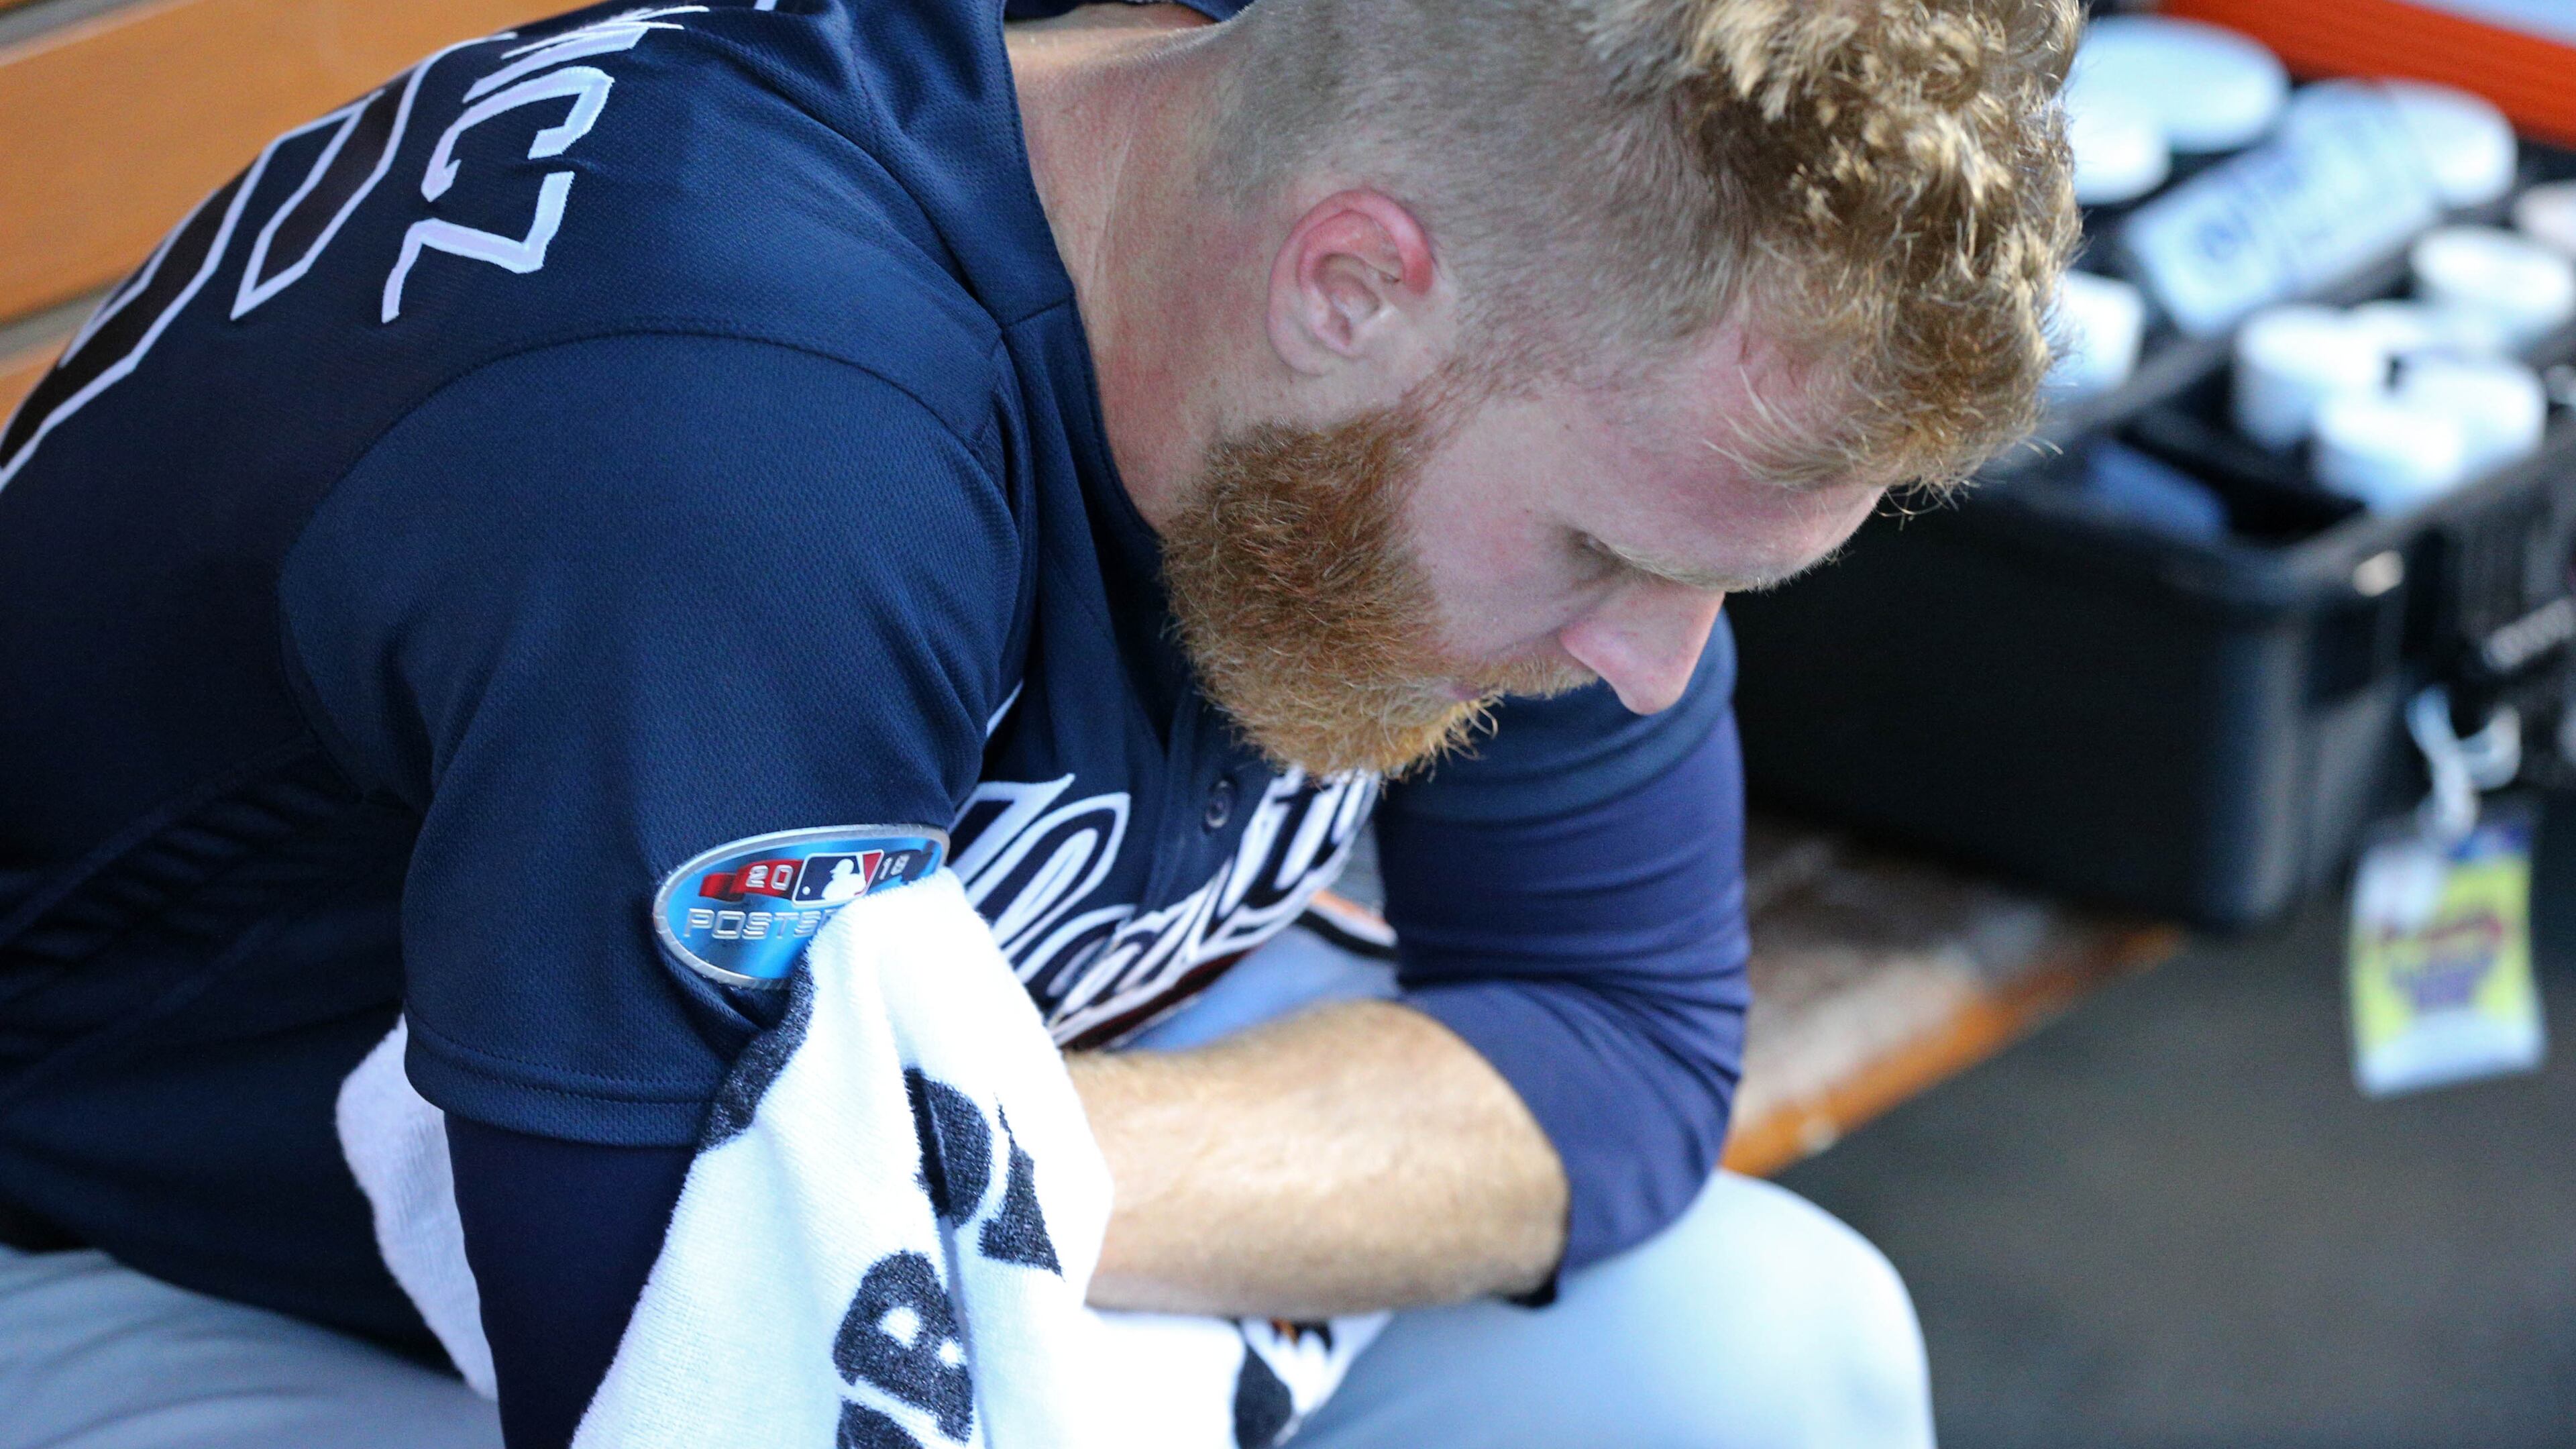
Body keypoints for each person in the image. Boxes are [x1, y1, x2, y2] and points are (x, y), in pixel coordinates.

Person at [0, 0, 2076, 1443]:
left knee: (1757, 1352)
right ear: (1355, 281)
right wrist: (894, 1191)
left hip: (847, 1200)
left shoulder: (1442, 245)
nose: (1653, 663)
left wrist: (995, 1167)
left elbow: (1621, 1052)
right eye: (1611, 555)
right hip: (186, 1282)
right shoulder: (740, 457)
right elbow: (706, 1352)